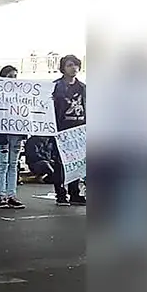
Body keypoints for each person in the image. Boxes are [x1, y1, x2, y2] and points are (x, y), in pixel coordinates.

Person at [52, 54, 87, 206]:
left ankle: (75, 193)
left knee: (77, 162)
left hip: (79, 128)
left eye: (75, 65)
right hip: (62, 129)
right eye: (70, 65)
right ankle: (60, 194)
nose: (73, 68)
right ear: (63, 68)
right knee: (60, 163)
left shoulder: (83, 87)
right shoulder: (56, 87)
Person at [0, 66, 26, 209]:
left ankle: (12, 195)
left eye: (15, 76)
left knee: (13, 164)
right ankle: (2, 196)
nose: (13, 79)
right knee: (2, 164)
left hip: (16, 133)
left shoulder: (22, 93)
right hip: (1, 134)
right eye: (10, 76)